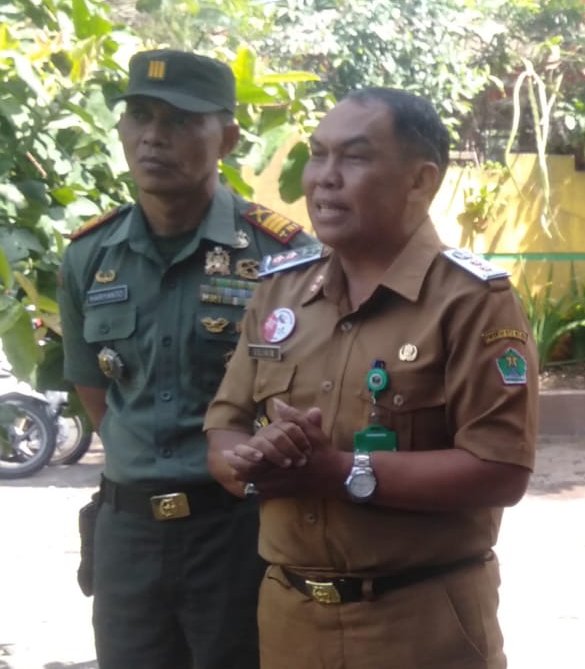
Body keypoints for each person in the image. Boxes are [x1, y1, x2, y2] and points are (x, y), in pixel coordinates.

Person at [204, 87, 538, 669]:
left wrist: (339, 472)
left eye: (355, 157)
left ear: (420, 181)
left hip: (421, 623)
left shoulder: (470, 300)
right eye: (318, 154)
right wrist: (256, 464)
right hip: (289, 619)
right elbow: (223, 427)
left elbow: (500, 469)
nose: (324, 178)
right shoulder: (280, 290)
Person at [57, 49, 316, 669]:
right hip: (127, 535)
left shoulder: (283, 257)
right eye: (140, 116)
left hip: (237, 529)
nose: (153, 137)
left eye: (179, 120)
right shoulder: (90, 255)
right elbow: (97, 392)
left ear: (226, 138)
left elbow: (309, 393)